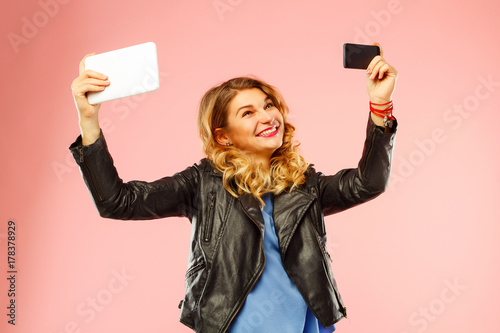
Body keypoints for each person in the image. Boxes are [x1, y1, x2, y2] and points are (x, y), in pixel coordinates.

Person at [69, 43, 398, 333]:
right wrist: (89, 120)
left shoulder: (303, 182)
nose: (268, 117)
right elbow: (117, 202)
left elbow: (367, 183)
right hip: (232, 323)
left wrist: (380, 107)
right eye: (248, 112)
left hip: (303, 323)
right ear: (223, 136)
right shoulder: (201, 183)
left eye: (269, 105)